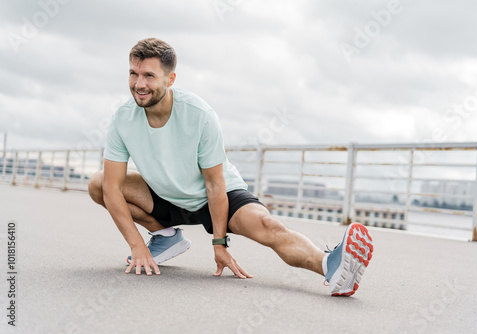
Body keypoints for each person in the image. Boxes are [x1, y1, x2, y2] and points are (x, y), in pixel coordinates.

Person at [88, 38, 373, 296]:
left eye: (149, 75)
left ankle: (331, 266)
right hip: (166, 197)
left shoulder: (199, 115)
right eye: (133, 74)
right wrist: (136, 245)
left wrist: (219, 242)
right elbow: (112, 187)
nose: (139, 84)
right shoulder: (123, 118)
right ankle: (165, 237)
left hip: (216, 195)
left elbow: (215, 184)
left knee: (268, 226)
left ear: (171, 78)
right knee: (99, 183)